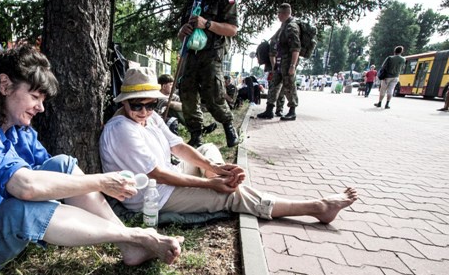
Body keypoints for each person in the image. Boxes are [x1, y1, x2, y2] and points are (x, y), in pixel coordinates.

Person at [0, 46, 183, 272]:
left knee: (63, 165)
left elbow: (55, 179)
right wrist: (101, 181)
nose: (40, 107)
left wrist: (95, 182)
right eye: (34, 97)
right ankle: (133, 237)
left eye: (42, 99)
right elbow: (26, 187)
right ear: (4, 85)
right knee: (22, 208)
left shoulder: (15, 129)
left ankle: (128, 245)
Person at [100, 67, 358, 224]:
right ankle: (317, 208)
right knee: (231, 196)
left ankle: (225, 180)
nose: (145, 111)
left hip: (169, 179)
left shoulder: (151, 118)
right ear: (124, 102)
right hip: (153, 197)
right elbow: (156, 174)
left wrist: (215, 169)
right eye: (137, 105)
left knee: (209, 152)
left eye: (150, 104)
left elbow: (177, 147)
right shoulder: (122, 129)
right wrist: (209, 183)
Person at [177, 0, 238, 147]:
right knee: (186, 92)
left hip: (212, 54)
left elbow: (232, 29)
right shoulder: (192, 0)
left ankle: (228, 126)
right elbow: (181, 33)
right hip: (191, 54)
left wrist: (208, 24)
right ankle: (196, 134)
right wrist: (183, 31)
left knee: (213, 95)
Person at [257, 3, 301, 121]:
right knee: (274, 85)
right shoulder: (283, 26)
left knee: (289, 86)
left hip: (288, 61)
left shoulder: (292, 27)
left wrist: (292, 66)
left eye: (279, 13)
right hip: (280, 62)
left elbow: (296, 48)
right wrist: (274, 63)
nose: (278, 15)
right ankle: (269, 109)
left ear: (285, 13)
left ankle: (292, 111)